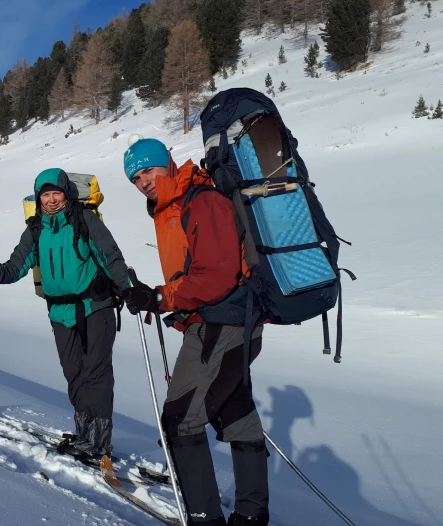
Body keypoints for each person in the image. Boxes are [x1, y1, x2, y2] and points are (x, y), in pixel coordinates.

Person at [121, 138, 269, 526]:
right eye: (136, 178)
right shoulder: (175, 204)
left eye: (148, 171)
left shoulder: (200, 200)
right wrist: (162, 296)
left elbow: (215, 276)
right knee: (236, 411)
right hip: (232, 321)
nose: (144, 182)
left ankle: (204, 519)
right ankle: (252, 515)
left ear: (167, 163)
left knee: (180, 419)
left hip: (220, 323)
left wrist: (160, 297)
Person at [0, 168, 135, 461]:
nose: (50, 200)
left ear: (66, 193)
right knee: (74, 373)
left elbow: (111, 257)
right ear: (38, 198)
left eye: (56, 193)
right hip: (59, 311)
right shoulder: (36, 229)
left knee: (95, 372)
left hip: (94, 306)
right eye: (45, 194)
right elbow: (14, 268)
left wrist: (129, 290)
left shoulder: (85, 220)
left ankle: (99, 442)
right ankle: (85, 433)